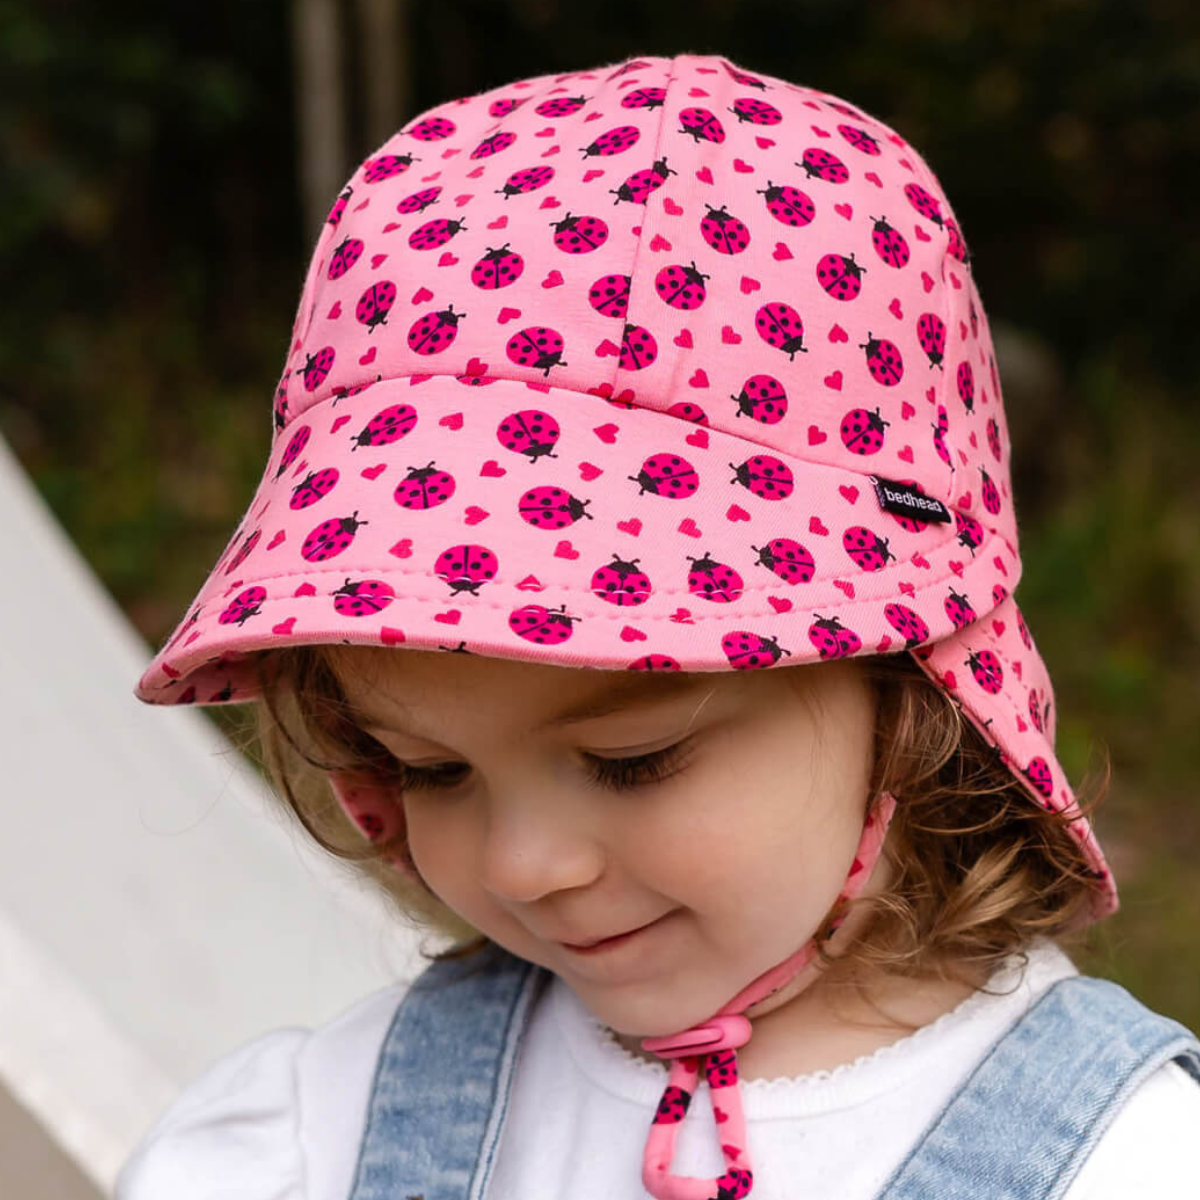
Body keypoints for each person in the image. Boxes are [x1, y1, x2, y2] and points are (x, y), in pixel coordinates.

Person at [115, 51, 1200, 1200]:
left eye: (632, 760)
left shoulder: (1125, 1166)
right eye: (429, 771)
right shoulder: (322, 1132)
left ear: (912, 687)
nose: (526, 865)